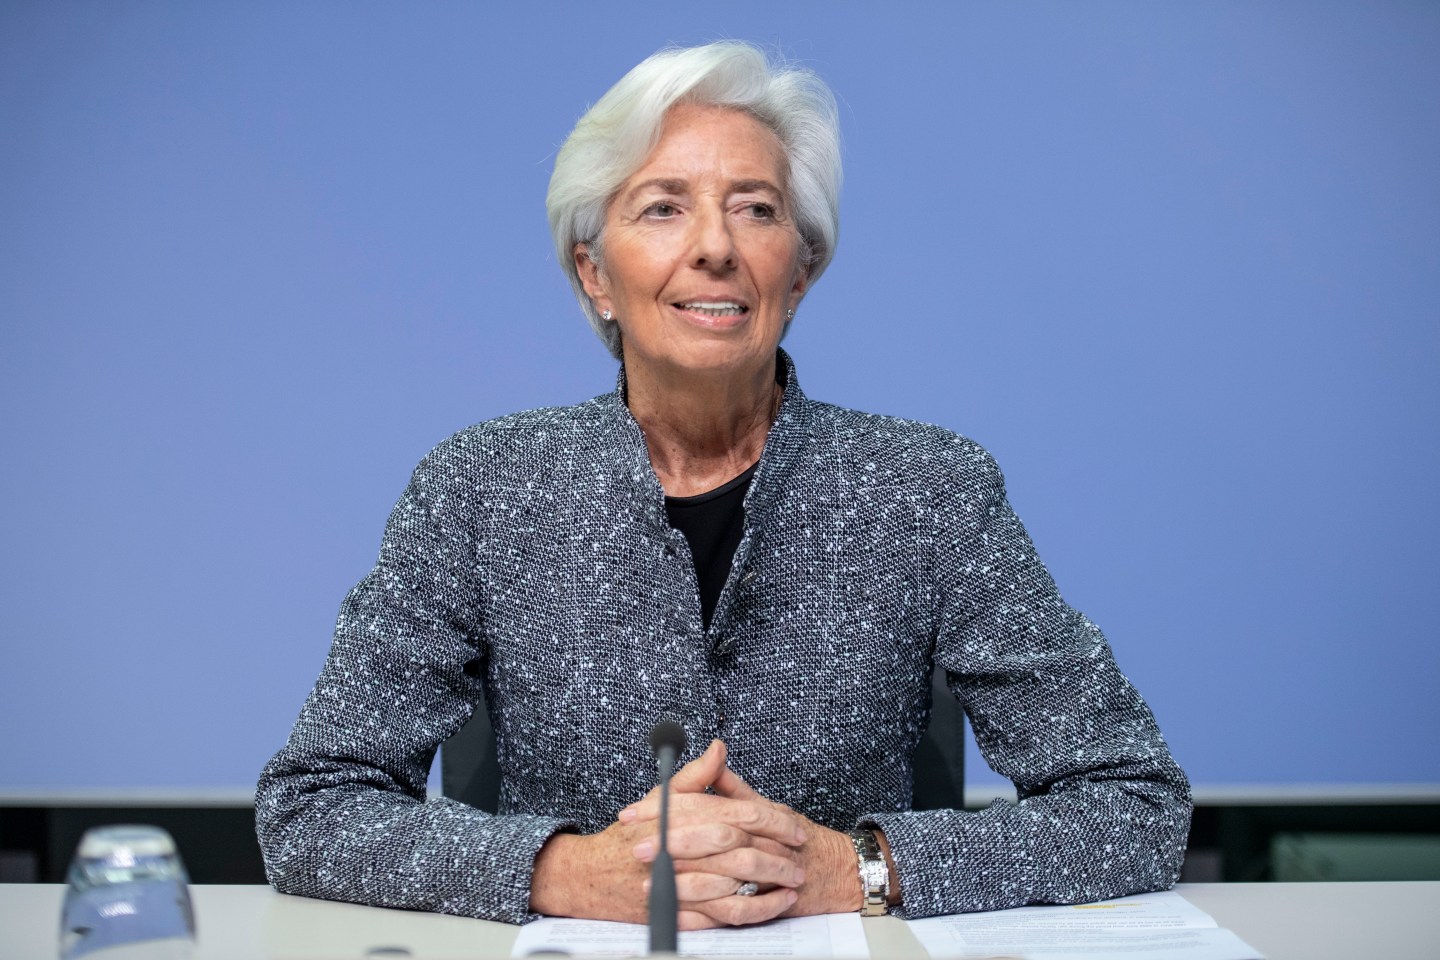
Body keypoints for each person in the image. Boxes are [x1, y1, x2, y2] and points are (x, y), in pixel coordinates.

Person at [255, 41, 1190, 928]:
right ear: (594, 275)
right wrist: (569, 873)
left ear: (802, 271)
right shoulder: (477, 489)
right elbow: (311, 808)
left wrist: (851, 869)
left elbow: (1134, 802)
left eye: (754, 207)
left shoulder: (928, 490)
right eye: (663, 207)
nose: (714, 247)